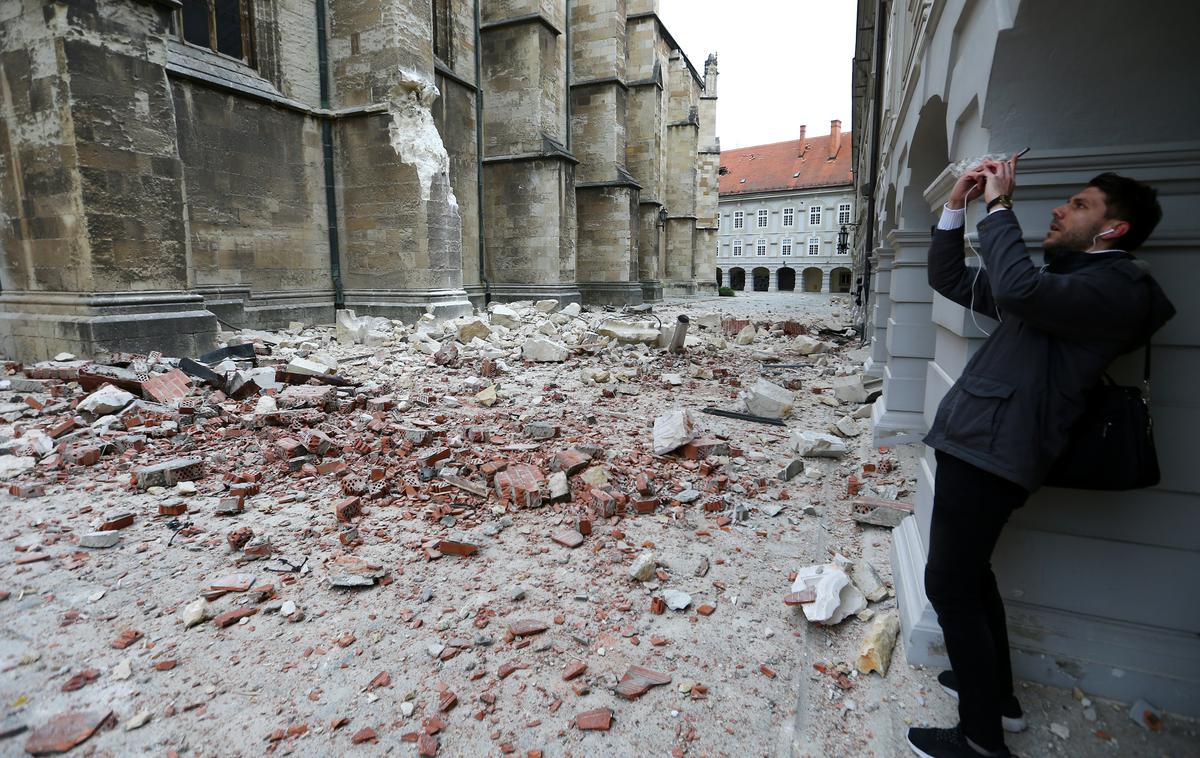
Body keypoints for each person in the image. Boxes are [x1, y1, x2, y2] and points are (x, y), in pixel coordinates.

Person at [905, 157, 1176, 758]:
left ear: (1113, 230)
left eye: (1080, 205)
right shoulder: (1068, 283)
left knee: (949, 585)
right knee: (971, 577)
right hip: (982, 442)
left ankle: (978, 740)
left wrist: (1000, 207)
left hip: (996, 450)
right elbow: (952, 279)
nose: (1060, 209)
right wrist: (957, 205)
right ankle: (998, 699)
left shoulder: (1117, 287)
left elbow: (1017, 287)